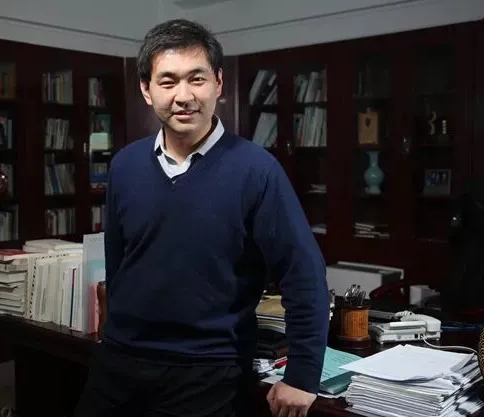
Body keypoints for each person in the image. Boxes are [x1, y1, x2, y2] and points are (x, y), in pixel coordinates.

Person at [73, 18, 329, 417]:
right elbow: (119, 264)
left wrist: (302, 374)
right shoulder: (125, 166)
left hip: (208, 371)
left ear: (219, 83)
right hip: (119, 362)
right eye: (168, 81)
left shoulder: (256, 170)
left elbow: (303, 272)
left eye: (197, 79)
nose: (184, 96)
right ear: (146, 90)